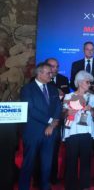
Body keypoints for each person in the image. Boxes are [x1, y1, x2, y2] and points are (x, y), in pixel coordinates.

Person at [19, 62, 62, 190]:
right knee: (29, 163)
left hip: (50, 132)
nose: (51, 74)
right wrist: (50, 121)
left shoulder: (53, 88)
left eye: (52, 72)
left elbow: (58, 108)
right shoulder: (27, 89)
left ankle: (45, 186)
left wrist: (52, 125)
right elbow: (31, 110)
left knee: (46, 164)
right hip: (32, 132)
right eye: (49, 72)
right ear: (40, 73)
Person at [63, 70, 94, 190]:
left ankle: (85, 186)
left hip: (86, 132)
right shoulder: (68, 96)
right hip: (71, 131)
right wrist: (68, 112)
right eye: (87, 82)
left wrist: (90, 109)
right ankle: (70, 186)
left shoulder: (91, 97)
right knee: (71, 160)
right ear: (80, 82)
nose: (89, 84)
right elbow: (63, 113)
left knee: (85, 161)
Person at [45, 57, 70, 183]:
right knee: (41, 150)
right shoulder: (38, 80)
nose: (55, 69)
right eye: (52, 66)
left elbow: (66, 99)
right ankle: (39, 179)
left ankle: (53, 178)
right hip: (42, 121)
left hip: (57, 120)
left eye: (57, 66)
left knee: (55, 149)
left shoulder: (63, 79)